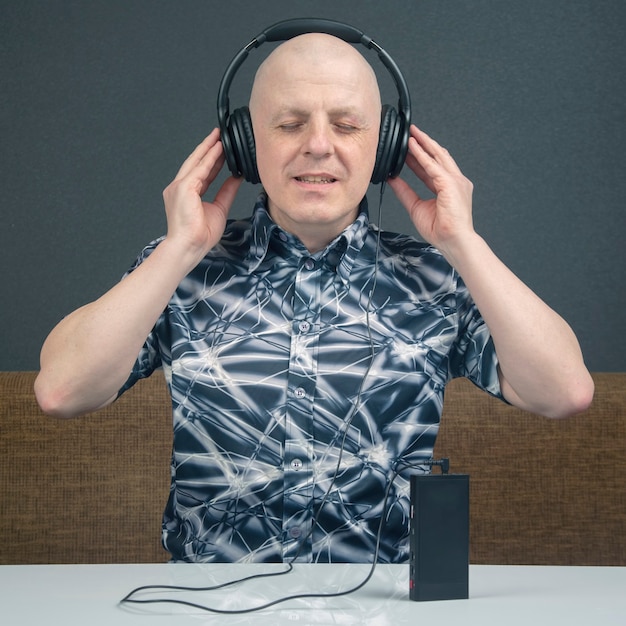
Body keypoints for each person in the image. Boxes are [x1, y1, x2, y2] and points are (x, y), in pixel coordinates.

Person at [34, 31, 594, 564]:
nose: (319, 146)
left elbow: (564, 392)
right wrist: (180, 248)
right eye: (289, 123)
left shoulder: (437, 277)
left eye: (347, 125)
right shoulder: (179, 269)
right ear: (246, 143)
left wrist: (463, 243)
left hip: (387, 610)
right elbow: (62, 391)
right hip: (212, 604)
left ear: (386, 146)